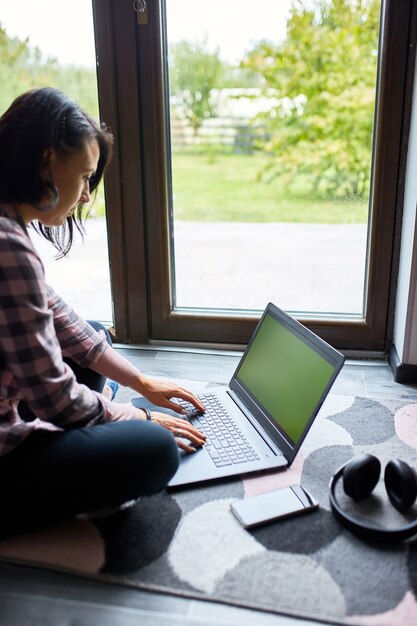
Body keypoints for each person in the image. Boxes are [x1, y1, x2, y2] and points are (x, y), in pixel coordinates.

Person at [0, 87, 206, 537]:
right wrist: (137, 415)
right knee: (155, 448)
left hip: (16, 401)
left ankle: (84, 425)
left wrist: (139, 382)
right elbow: (55, 398)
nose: (87, 197)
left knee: (92, 333)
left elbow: (57, 314)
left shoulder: (7, 225)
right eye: (86, 177)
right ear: (46, 160)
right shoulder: (8, 247)